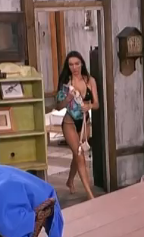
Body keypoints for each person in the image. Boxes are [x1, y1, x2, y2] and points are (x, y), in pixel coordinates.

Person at [55, 51, 99, 200]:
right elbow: (58, 107)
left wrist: (89, 106)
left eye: (77, 64)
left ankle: (69, 180)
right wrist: (67, 99)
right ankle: (90, 195)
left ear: (82, 64)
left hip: (85, 122)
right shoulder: (66, 83)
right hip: (70, 122)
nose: (74, 67)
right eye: (71, 64)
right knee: (80, 155)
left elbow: (97, 104)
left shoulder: (90, 80)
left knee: (78, 153)